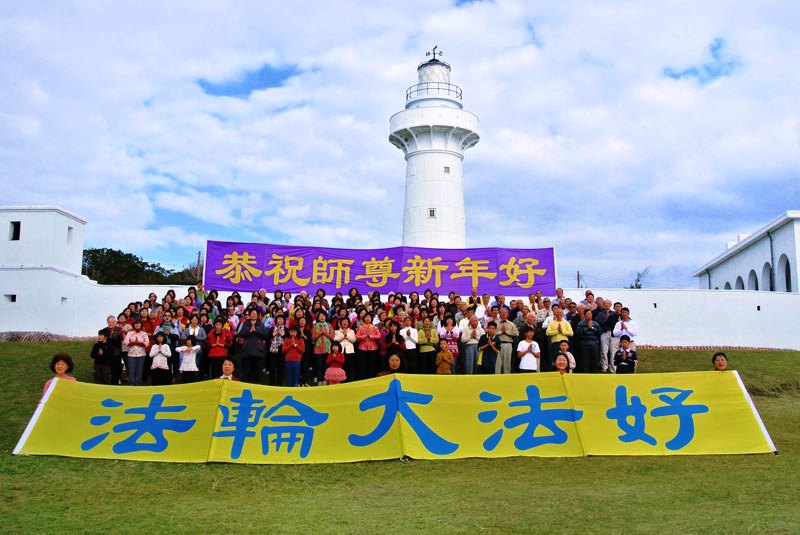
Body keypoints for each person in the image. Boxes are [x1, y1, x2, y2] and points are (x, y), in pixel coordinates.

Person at [123, 319, 149, 386]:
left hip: (141, 354)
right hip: (131, 354)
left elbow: (147, 343)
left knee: (140, 369)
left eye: (139, 324)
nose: (137, 325)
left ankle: (138, 383)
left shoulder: (144, 333)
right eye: (136, 324)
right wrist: (134, 343)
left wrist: (139, 343)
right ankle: (131, 383)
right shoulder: (130, 333)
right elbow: (126, 342)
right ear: (134, 325)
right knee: (132, 369)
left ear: (141, 325)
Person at [312, 311, 334, 384]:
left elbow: (332, 337)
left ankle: (325, 379)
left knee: (326, 365)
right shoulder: (315, 326)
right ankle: (319, 379)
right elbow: (313, 337)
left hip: (327, 348)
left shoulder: (329, 325)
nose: (322, 317)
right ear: (318, 318)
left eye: (323, 316)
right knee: (319, 365)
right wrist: (320, 333)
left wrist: (325, 333)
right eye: (320, 316)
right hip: (318, 349)